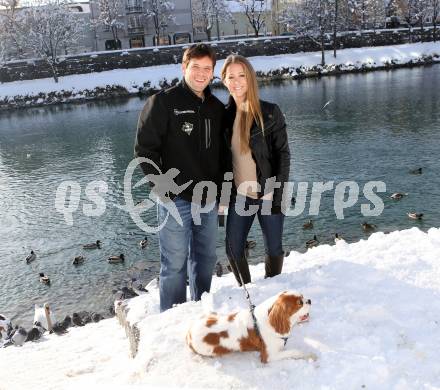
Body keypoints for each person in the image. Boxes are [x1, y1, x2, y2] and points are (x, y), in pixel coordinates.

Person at [134, 44, 225, 312]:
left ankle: (201, 310)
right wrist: (164, 190)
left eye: (207, 68)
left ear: (212, 72)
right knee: (174, 263)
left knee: (206, 259)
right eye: (195, 67)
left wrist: (223, 191)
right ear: (184, 67)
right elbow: (144, 149)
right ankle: (172, 319)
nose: (201, 73)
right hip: (176, 200)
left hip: (207, 200)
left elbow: (224, 156)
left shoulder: (216, 108)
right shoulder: (162, 102)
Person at [220, 54, 290, 286]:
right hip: (239, 197)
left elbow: (283, 155)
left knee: (274, 247)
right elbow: (220, 162)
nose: (237, 81)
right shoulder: (223, 117)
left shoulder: (270, 112)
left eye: (242, 75)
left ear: (250, 78)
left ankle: (272, 287)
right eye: (231, 76)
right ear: (224, 81)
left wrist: (273, 191)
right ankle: (248, 291)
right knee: (233, 249)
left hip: (267, 194)